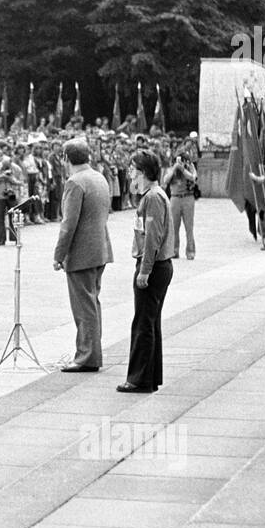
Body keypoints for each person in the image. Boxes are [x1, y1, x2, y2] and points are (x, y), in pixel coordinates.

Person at [52, 139, 112, 373]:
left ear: (66, 158)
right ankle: (91, 352)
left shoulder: (74, 182)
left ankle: (86, 356)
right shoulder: (98, 177)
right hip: (100, 249)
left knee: (83, 307)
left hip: (81, 253)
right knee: (92, 303)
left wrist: (59, 255)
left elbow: (68, 224)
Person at [119, 150, 174, 393]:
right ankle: (150, 377)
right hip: (158, 265)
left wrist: (144, 270)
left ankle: (139, 379)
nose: (129, 173)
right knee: (150, 322)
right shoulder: (152, 195)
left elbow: (153, 237)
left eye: (132, 169)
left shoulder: (152, 197)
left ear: (142, 172)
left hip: (152, 266)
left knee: (143, 323)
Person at [162, 149, 198, 260]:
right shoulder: (172, 169)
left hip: (188, 197)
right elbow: (165, 180)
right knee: (174, 227)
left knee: (189, 227)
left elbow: (193, 177)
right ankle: (174, 250)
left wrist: (183, 169)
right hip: (175, 198)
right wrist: (175, 168)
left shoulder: (190, 167)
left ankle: (190, 251)